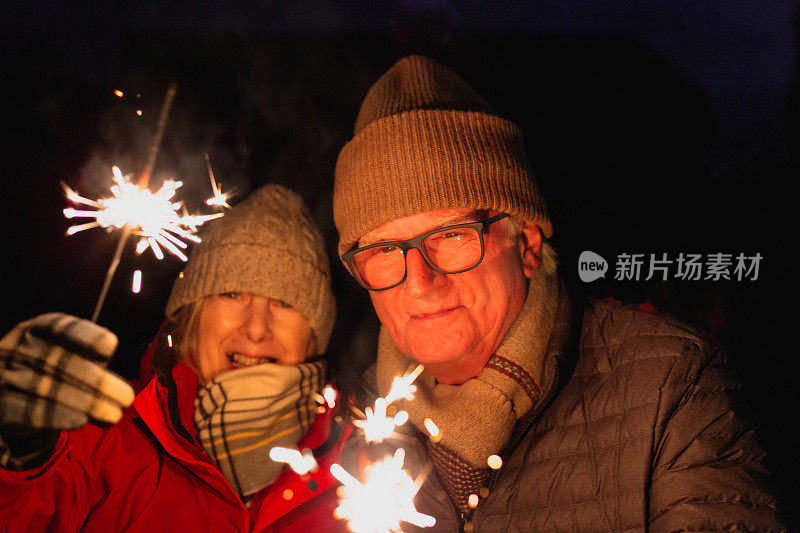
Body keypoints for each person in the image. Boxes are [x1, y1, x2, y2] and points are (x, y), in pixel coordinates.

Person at [333, 55, 785, 531]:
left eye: (453, 236)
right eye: (383, 249)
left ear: (526, 243)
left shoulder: (671, 388)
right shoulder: (343, 430)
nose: (420, 281)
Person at [0, 184, 350, 532]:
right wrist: (16, 456)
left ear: (315, 335)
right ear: (192, 317)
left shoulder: (361, 463)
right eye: (231, 294)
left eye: (285, 303)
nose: (257, 328)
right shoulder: (100, 439)